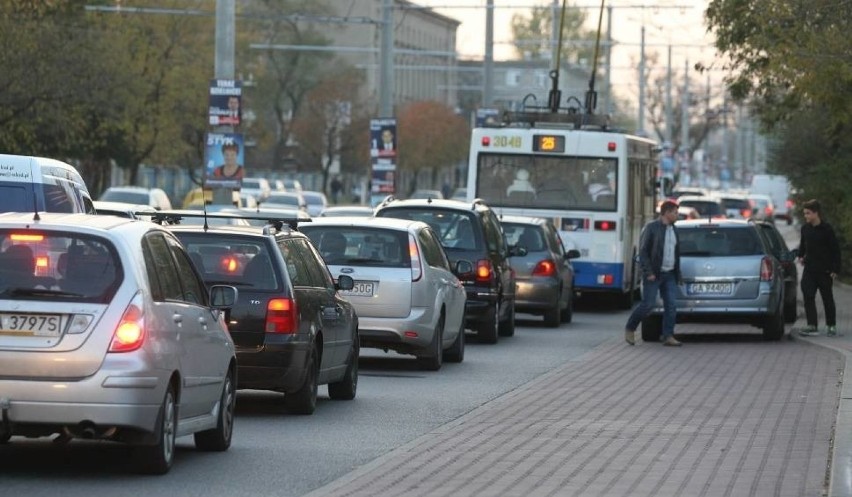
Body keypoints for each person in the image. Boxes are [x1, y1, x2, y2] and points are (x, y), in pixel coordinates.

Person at [624, 200, 682, 346]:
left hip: (669, 274)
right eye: (675, 212)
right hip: (654, 274)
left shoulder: (674, 229)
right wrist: (648, 271)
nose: (677, 215)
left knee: (671, 305)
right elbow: (643, 252)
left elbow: (675, 253)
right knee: (648, 304)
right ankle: (630, 328)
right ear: (667, 213)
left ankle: (668, 335)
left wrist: (677, 274)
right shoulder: (651, 228)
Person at [797, 199, 841, 336]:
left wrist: (835, 269)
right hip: (809, 269)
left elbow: (835, 250)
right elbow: (803, 245)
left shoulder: (827, 229)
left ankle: (831, 325)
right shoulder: (805, 229)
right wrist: (800, 256)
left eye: (808, 213)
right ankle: (812, 325)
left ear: (816, 213)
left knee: (827, 298)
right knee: (808, 294)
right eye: (805, 214)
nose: (806, 216)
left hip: (824, 270)